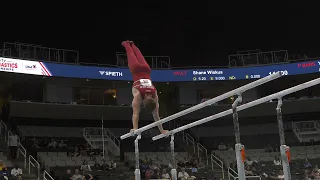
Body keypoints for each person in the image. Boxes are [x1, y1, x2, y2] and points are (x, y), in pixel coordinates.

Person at [121, 41, 168, 134]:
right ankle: (126, 44)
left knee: (139, 54)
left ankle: (133, 44)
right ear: (143, 102)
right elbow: (136, 113)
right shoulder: (138, 95)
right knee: (130, 53)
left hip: (146, 70)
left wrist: (162, 131)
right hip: (135, 69)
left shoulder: (154, 93)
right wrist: (134, 128)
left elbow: (156, 115)